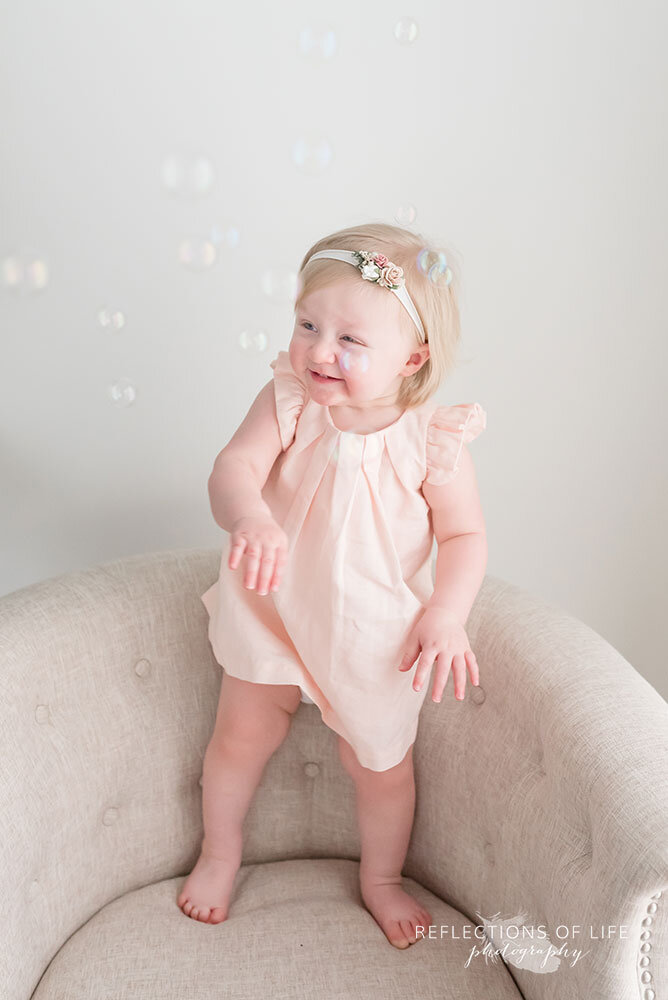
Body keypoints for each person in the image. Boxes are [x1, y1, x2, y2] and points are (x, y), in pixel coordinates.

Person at [178, 222, 488, 949]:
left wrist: (447, 610)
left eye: (350, 340)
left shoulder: (431, 440)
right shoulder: (289, 401)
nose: (319, 350)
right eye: (307, 324)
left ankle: (381, 878)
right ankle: (219, 855)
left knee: (380, 766)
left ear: (412, 358)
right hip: (272, 605)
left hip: (373, 633)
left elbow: (465, 537)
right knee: (238, 739)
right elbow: (233, 469)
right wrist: (249, 515)